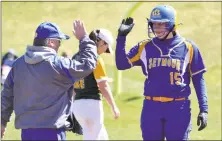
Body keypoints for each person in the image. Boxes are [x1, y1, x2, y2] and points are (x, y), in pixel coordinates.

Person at [115, 5, 208, 140]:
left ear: (172, 24)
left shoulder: (188, 47)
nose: (157, 28)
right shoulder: (144, 47)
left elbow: (198, 79)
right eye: (154, 24)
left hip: (178, 108)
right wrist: (121, 37)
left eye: (162, 24)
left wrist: (204, 109)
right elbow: (121, 64)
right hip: (151, 108)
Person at [1, 20, 98, 140]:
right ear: (50, 42)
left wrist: (2, 121)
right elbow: (88, 65)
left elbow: (7, 95)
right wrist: (84, 39)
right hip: (52, 133)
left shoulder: (18, 65)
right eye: (59, 41)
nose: (60, 44)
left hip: (27, 134)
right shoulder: (58, 64)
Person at [72, 28, 120, 140]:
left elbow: (73, 85)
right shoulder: (96, 58)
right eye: (106, 47)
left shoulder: (75, 57)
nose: (104, 51)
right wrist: (114, 107)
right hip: (91, 105)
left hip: (78, 105)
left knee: (102, 137)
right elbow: (103, 86)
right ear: (101, 42)